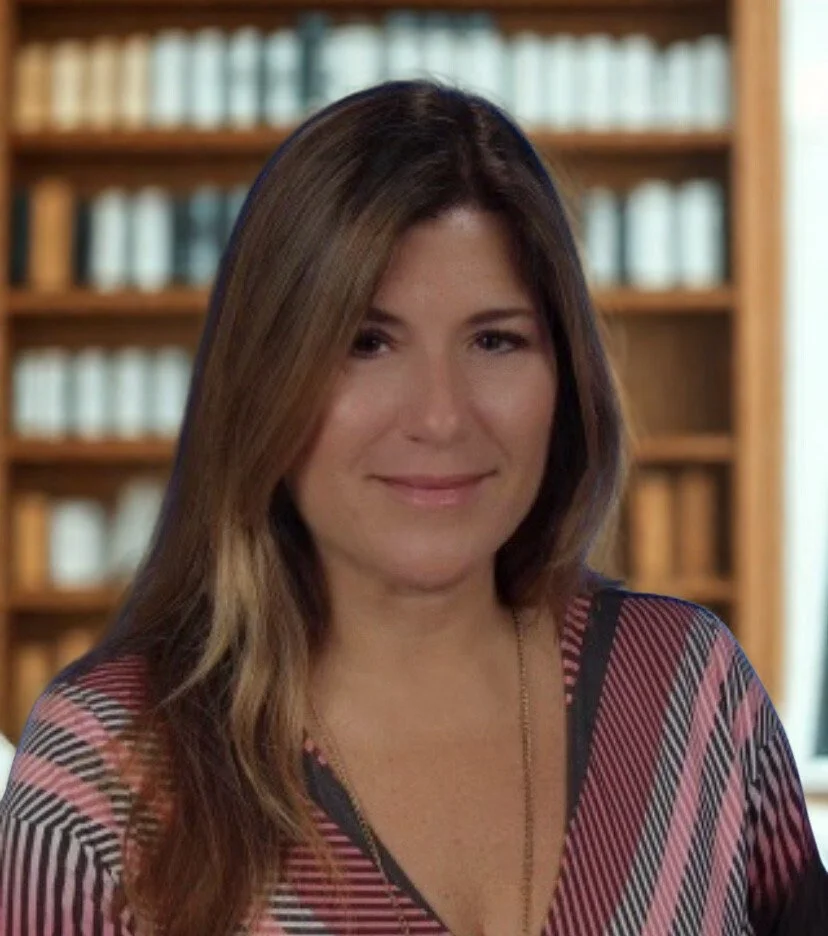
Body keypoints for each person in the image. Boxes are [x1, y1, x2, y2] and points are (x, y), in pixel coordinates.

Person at [0, 79, 825, 936]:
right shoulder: (106, 772)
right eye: (367, 342)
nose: (440, 416)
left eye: (495, 340)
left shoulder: (690, 690)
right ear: (264, 377)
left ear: (564, 378)